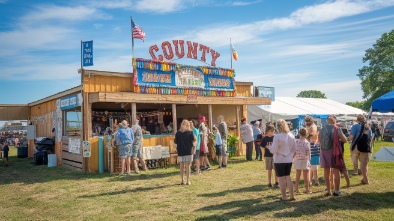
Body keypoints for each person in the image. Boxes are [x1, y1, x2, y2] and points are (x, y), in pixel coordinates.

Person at [319, 116, 347, 196]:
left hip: (324, 151)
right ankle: (337, 191)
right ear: (334, 121)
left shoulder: (321, 129)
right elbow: (344, 140)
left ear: (327, 121)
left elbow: (319, 140)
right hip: (334, 151)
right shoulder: (337, 129)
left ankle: (328, 191)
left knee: (326, 171)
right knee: (336, 171)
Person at [269, 119, 296, 201]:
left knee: (281, 178)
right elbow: (294, 148)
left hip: (279, 159)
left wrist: (270, 148)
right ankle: (292, 196)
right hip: (288, 159)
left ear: (278, 127)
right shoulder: (291, 135)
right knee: (288, 176)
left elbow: (273, 150)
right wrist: (289, 153)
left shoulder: (277, 136)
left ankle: (284, 197)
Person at [174, 119, 196, 185]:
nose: (183, 126)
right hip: (185, 151)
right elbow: (194, 141)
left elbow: (175, 143)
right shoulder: (188, 133)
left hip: (184, 151)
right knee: (185, 166)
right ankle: (185, 180)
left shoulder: (180, 133)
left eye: (183, 124)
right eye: (182, 124)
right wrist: (194, 149)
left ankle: (184, 180)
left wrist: (176, 149)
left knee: (184, 166)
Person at [293, 128, 311, 194]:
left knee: (297, 174)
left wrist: (293, 158)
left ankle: (296, 188)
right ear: (306, 134)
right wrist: (309, 160)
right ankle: (307, 189)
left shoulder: (296, 141)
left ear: (299, 133)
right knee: (306, 175)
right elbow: (309, 152)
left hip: (297, 159)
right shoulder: (307, 142)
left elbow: (294, 150)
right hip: (305, 159)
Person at [304, 115, 320, 186]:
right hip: (311, 145)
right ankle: (310, 180)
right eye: (306, 122)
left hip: (314, 146)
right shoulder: (310, 126)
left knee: (314, 165)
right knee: (310, 165)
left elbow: (310, 135)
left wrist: (304, 135)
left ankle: (316, 181)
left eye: (308, 122)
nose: (306, 123)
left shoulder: (312, 127)